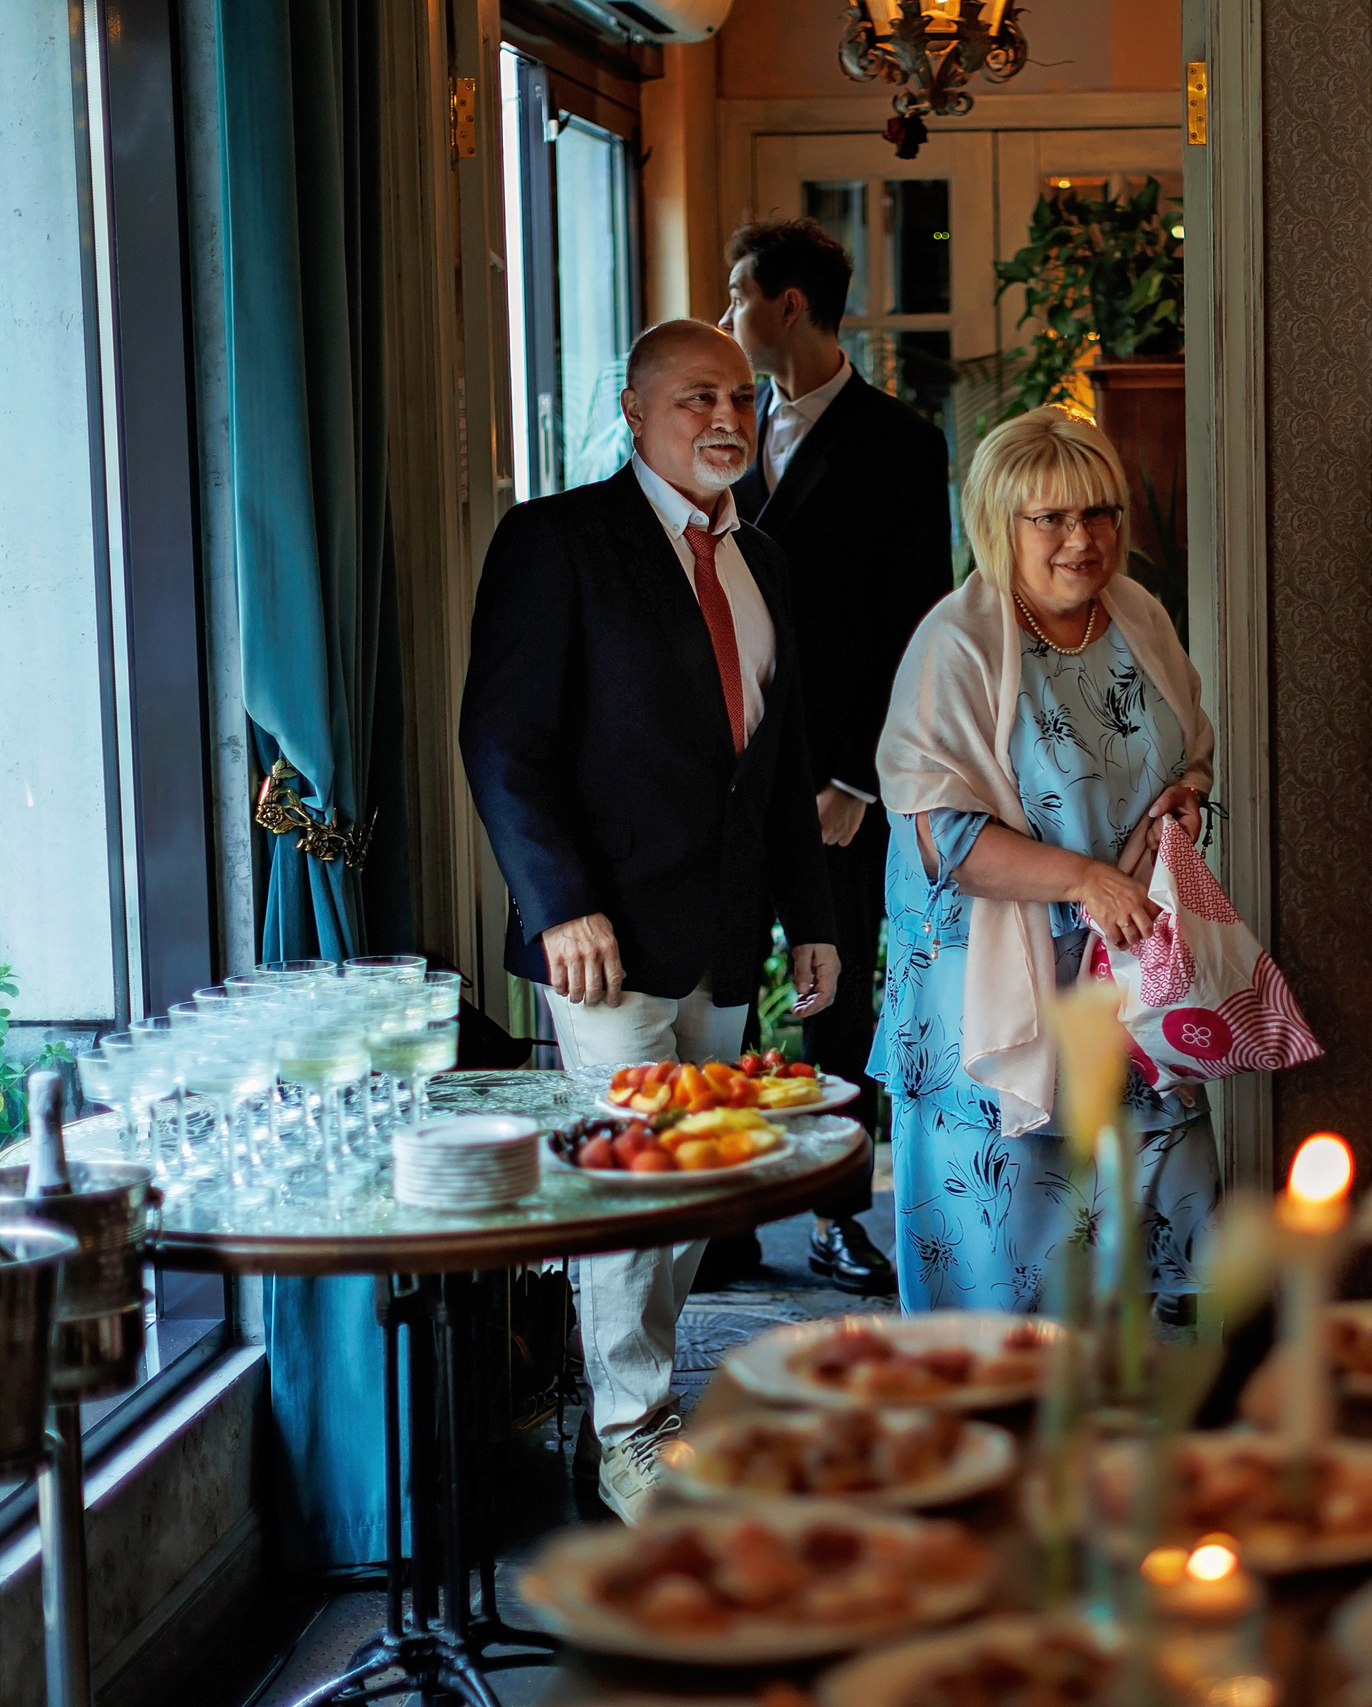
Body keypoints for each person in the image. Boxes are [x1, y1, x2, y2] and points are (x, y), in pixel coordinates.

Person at [458, 319, 839, 1518]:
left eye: (740, 395)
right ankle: (628, 1428)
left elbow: (775, 771)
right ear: (633, 411)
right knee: (633, 1186)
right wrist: (559, 905)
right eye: (692, 399)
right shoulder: (555, 542)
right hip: (603, 941)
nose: (724, 418)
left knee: (689, 1183)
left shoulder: (764, 563)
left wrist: (809, 917)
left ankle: (634, 1400)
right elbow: (503, 744)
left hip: (724, 932)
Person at [870, 406, 1217, 1315]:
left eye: (1098, 512)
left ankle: (1130, 1426)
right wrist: (1085, 880)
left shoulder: (1138, 614)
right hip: (991, 990)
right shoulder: (958, 644)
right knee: (1011, 1249)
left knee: (1141, 1228)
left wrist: (1184, 798)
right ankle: (1001, 1434)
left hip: (1124, 970)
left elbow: (1186, 751)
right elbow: (943, 840)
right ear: (1000, 525)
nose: (1081, 539)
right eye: (1051, 519)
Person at [718, 217, 953, 1297]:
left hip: (835, 785)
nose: (727, 318)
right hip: (724, 775)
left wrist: (859, 776)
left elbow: (915, 618)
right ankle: (717, 1214)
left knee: (839, 1002)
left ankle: (836, 1218)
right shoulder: (718, 432)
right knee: (717, 988)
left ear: (789, 306)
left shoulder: (900, 442)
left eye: (737, 296)